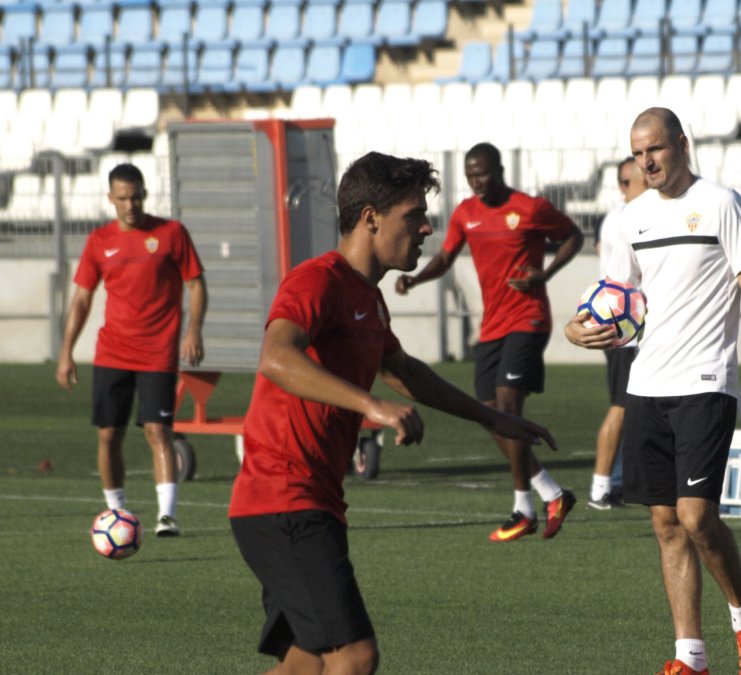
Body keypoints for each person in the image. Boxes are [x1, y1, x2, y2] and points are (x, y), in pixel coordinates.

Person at [228, 152, 557, 674]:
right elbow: (275, 356)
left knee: (305, 666)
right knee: (354, 658)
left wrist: (490, 417)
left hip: (309, 501)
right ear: (370, 218)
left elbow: (404, 370)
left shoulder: (368, 299)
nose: (428, 227)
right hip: (282, 499)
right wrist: (372, 407)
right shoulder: (318, 281)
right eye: (414, 214)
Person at [566, 108, 741, 675]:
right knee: (665, 524)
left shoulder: (722, 203)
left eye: (656, 149)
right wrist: (576, 328)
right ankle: (689, 657)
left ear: (681, 145)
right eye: (638, 152)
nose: (646, 161)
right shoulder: (626, 219)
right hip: (646, 385)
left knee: (696, 518)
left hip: (705, 383)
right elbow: (615, 297)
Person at [395, 142, 584, 542]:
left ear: (498, 171)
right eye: (470, 176)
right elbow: (446, 258)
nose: (476, 182)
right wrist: (415, 278)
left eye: (482, 173)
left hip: (528, 319)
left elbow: (574, 236)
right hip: (492, 327)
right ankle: (552, 493)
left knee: (508, 406)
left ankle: (522, 508)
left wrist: (544, 275)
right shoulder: (466, 213)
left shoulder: (529, 208)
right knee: (489, 415)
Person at [56, 162, 207, 537]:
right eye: (123, 198)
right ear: (111, 198)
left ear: (145, 195)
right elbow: (81, 300)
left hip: (158, 352)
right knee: (109, 435)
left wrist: (194, 330)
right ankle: (116, 513)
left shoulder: (171, 233)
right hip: (113, 352)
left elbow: (196, 284)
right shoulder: (99, 241)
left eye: (136, 197)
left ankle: (167, 516)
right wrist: (66, 351)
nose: (130, 205)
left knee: (158, 431)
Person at [588, 156, 647, 510]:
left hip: (633, 325)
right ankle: (600, 486)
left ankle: (624, 481)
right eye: (626, 181)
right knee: (621, 408)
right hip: (624, 326)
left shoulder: (630, 217)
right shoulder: (622, 219)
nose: (631, 188)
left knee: (637, 409)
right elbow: (623, 278)